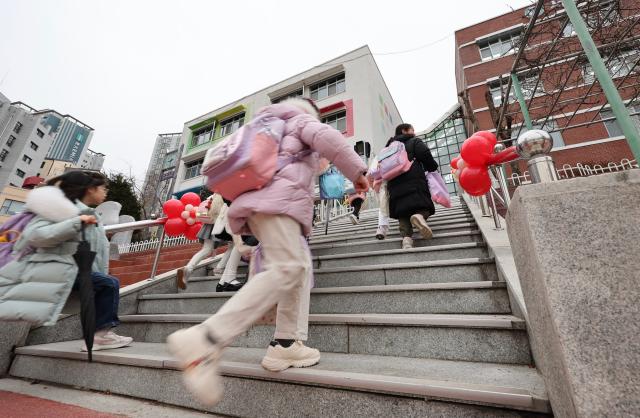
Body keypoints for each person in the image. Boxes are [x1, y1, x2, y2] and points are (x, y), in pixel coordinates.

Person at [166, 97, 369, 406]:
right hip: (279, 203)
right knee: (289, 267)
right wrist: (357, 172)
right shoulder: (299, 120)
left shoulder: (267, 125)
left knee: (295, 267)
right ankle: (206, 338)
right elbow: (330, 139)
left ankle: (286, 344)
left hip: (258, 205)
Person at [0, 171, 133, 350]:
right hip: (52, 269)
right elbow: (36, 235)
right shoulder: (59, 209)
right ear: (90, 189)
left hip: (74, 270)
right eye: (103, 187)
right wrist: (76, 222)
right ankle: (101, 335)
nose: (105, 192)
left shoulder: (89, 214)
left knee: (106, 284)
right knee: (108, 284)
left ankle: (100, 335)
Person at [386, 123, 438, 249]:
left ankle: (407, 240)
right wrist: (432, 167)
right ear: (404, 131)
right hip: (414, 179)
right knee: (423, 206)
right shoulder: (413, 141)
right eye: (412, 129)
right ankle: (420, 216)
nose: (414, 132)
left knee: (403, 212)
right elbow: (424, 153)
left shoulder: (388, 147)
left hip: (393, 183)